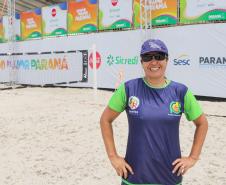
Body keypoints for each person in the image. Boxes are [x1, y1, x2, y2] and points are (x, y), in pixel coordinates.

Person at [100, 39, 208, 185]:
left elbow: (202, 123)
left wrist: (193, 158)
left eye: (159, 56)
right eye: (147, 57)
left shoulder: (180, 91)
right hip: (134, 175)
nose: (154, 61)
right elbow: (105, 119)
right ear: (141, 62)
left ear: (167, 60)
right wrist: (113, 157)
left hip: (169, 176)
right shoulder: (128, 89)